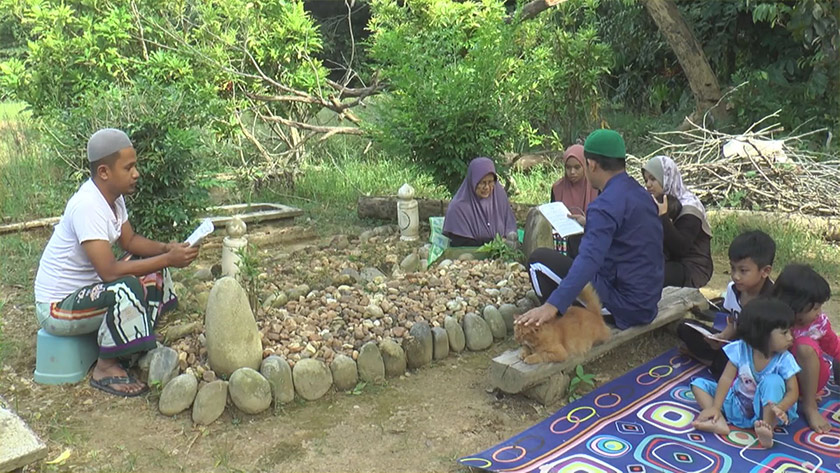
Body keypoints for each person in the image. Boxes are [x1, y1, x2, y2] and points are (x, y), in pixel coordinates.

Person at [34, 128, 199, 397]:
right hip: (56, 307)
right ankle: (106, 366)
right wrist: (168, 257)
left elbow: (130, 241)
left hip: (88, 292)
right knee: (127, 287)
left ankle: (135, 337)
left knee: (150, 263)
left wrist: (166, 250)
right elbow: (110, 272)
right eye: (129, 167)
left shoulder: (114, 198)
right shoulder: (87, 205)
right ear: (104, 172)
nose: (136, 173)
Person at [516, 129, 664, 330]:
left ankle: (558, 324)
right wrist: (589, 224)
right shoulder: (640, 193)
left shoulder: (603, 205)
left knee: (538, 260)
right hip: (647, 301)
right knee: (578, 241)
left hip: (623, 306)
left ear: (592, 165)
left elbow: (589, 261)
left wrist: (553, 305)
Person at [690, 298, 800, 448]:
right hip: (739, 404)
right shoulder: (741, 348)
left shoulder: (785, 358)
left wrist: (781, 407)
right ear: (763, 335)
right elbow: (726, 378)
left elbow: (793, 391)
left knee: (773, 381)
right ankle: (718, 419)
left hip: (769, 409)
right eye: (784, 333)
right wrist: (716, 406)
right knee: (698, 384)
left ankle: (767, 428)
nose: (790, 337)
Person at [676, 230, 775, 378]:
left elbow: (770, 342)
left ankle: (708, 361)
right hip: (732, 343)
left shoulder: (772, 300)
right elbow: (731, 322)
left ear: (765, 271)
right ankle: (714, 360)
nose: (735, 276)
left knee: (727, 363)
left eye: (743, 271)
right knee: (684, 327)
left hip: (755, 353)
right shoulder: (733, 289)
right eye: (733, 268)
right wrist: (722, 337)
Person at [771, 264, 838, 433]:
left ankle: (809, 406)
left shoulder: (818, 324)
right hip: (780, 377)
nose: (819, 312)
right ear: (795, 305)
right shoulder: (773, 318)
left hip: (809, 377)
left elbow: (835, 347)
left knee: (805, 347)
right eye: (815, 308)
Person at [642, 155, 713, 288]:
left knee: (648, 276)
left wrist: (663, 216)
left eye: (653, 179)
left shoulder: (691, 207)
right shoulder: (659, 201)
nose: (648, 185)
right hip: (668, 260)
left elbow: (681, 248)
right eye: (646, 180)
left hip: (692, 267)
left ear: (667, 178)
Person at [443, 157, 517, 247]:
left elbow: (510, 228)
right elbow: (460, 243)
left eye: (490, 182)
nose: (486, 187)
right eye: (482, 182)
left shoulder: (499, 196)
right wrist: (493, 243)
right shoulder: (458, 207)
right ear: (473, 182)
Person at [549, 144, 598, 258]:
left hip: (590, 243)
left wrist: (586, 222)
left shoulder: (595, 188)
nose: (572, 172)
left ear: (585, 166)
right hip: (561, 244)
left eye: (577, 167)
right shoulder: (557, 188)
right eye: (568, 167)